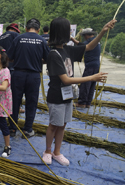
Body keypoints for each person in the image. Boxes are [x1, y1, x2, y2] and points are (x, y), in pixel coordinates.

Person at [42, 17, 115, 166]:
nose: (71, 33)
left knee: (62, 125)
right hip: (56, 96)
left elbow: (88, 47)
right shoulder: (53, 54)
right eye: (68, 30)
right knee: (53, 125)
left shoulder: (67, 49)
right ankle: (47, 151)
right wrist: (92, 77)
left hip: (68, 95)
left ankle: (57, 152)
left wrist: (102, 31)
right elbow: (66, 80)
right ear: (62, 32)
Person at [6, 18, 49, 138]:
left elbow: (9, 57)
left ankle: (12, 129)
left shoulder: (18, 38)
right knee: (31, 103)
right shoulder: (41, 41)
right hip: (34, 76)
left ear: (26, 28)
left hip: (18, 74)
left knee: (15, 101)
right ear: (39, 29)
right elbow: (47, 58)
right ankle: (27, 129)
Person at [72, 28, 101, 108]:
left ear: (87, 35)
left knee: (85, 84)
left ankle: (82, 102)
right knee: (92, 84)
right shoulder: (96, 40)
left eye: (84, 36)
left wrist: (72, 39)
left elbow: (81, 46)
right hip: (96, 65)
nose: (84, 37)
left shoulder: (90, 41)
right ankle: (88, 102)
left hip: (90, 66)